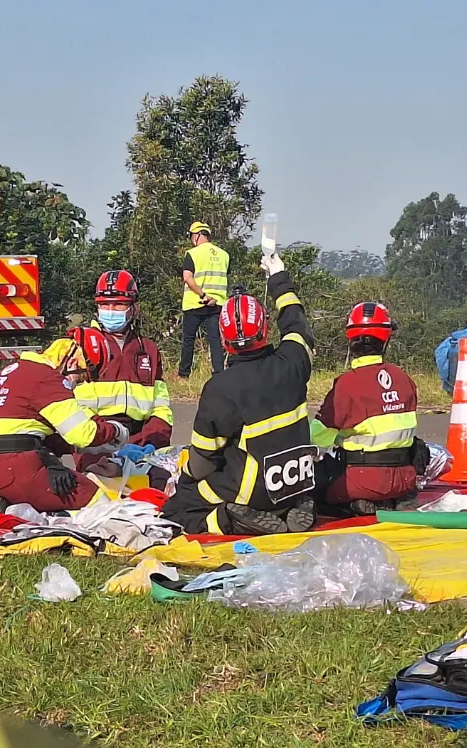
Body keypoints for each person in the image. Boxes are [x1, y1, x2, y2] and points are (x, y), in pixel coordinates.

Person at [161, 251, 317, 535]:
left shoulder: (220, 388)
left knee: (176, 509)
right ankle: (295, 505)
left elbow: (204, 460)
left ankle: (229, 520)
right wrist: (278, 277)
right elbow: (296, 321)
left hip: (252, 490)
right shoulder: (294, 361)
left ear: (223, 339)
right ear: (265, 329)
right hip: (298, 482)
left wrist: (184, 479)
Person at [0, 338, 129, 513]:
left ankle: (8, 509)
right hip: (13, 472)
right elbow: (82, 434)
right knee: (97, 501)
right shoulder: (48, 378)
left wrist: (81, 449)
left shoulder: (15, 371)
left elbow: (28, 431)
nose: (76, 385)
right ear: (72, 362)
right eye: (80, 378)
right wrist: (115, 431)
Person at [314, 301, 428, 514]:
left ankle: (355, 503)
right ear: (386, 340)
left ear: (350, 339)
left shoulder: (347, 384)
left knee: (313, 481)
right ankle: (396, 498)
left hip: (362, 479)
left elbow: (316, 437)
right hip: (405, 479)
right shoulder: (404, 379)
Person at [72, 270, 173, 471]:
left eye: (119, 304)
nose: (111, 310)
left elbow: (161, 408)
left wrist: (150, 441)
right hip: (96, 447)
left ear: (134, 307)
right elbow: (70, 408)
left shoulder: (149, 350)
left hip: (141, 445)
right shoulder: (79, 346)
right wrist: (109, 446)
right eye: (104, 305)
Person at [177, 221, 230, 378]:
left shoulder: (192, 254)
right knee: (215, 341)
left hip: (195, 303)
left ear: (197, 235)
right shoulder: (224, 255)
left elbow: (187, 278)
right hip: (216, 305)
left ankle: (184, 374)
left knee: (188, 340)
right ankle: (219, 375)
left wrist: (202, 295)